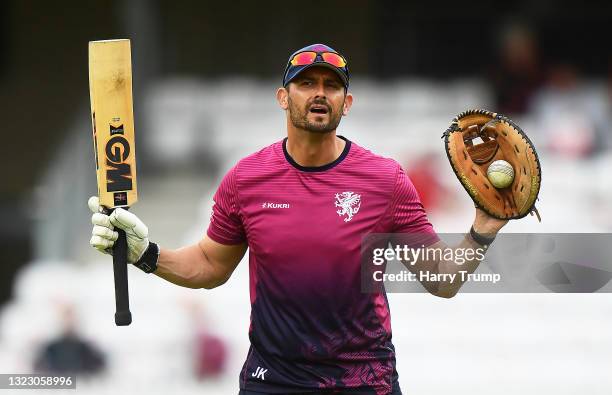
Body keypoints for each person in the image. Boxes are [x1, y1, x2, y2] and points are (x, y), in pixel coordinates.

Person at [89, 43, 507, 395]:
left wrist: (484, 228)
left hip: (365, 382)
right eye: (306, 83)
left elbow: (442, 279)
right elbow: (212, 265)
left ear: (348, 102)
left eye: (332, 86)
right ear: (283, 97)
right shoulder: (247, 179)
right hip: (273, 380)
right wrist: (146, 254)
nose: (319, 94)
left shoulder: (385, 180)